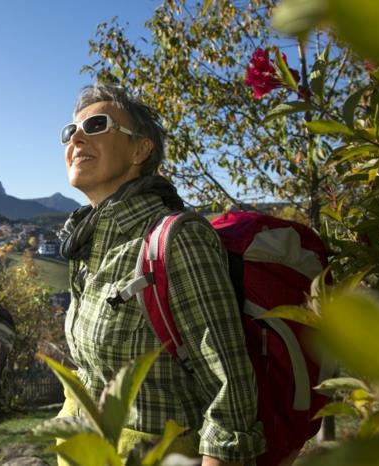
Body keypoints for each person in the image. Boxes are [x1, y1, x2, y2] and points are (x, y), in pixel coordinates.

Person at [57, 84, 266, 465]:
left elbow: (230, 389)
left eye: (97, 125)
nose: (77, 138)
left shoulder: (175, 239)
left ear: (141, 149)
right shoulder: (87, 245)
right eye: (70, 132)